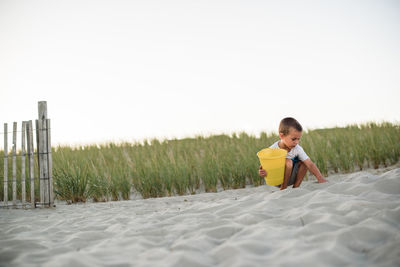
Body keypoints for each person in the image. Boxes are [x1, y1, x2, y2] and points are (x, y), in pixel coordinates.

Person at [259, 117, 328, 190]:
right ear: (282, 136)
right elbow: (263, 166)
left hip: (291, 178)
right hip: (277, 180)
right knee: (288, 161)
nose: (296, 142)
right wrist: (262, 172)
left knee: (304, 162)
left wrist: (320, 178)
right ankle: (283, 188)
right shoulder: (272, 149)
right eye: (293, 139)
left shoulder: (297, 148)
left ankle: (295, 188)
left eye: (298, 139)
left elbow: (310, 164)